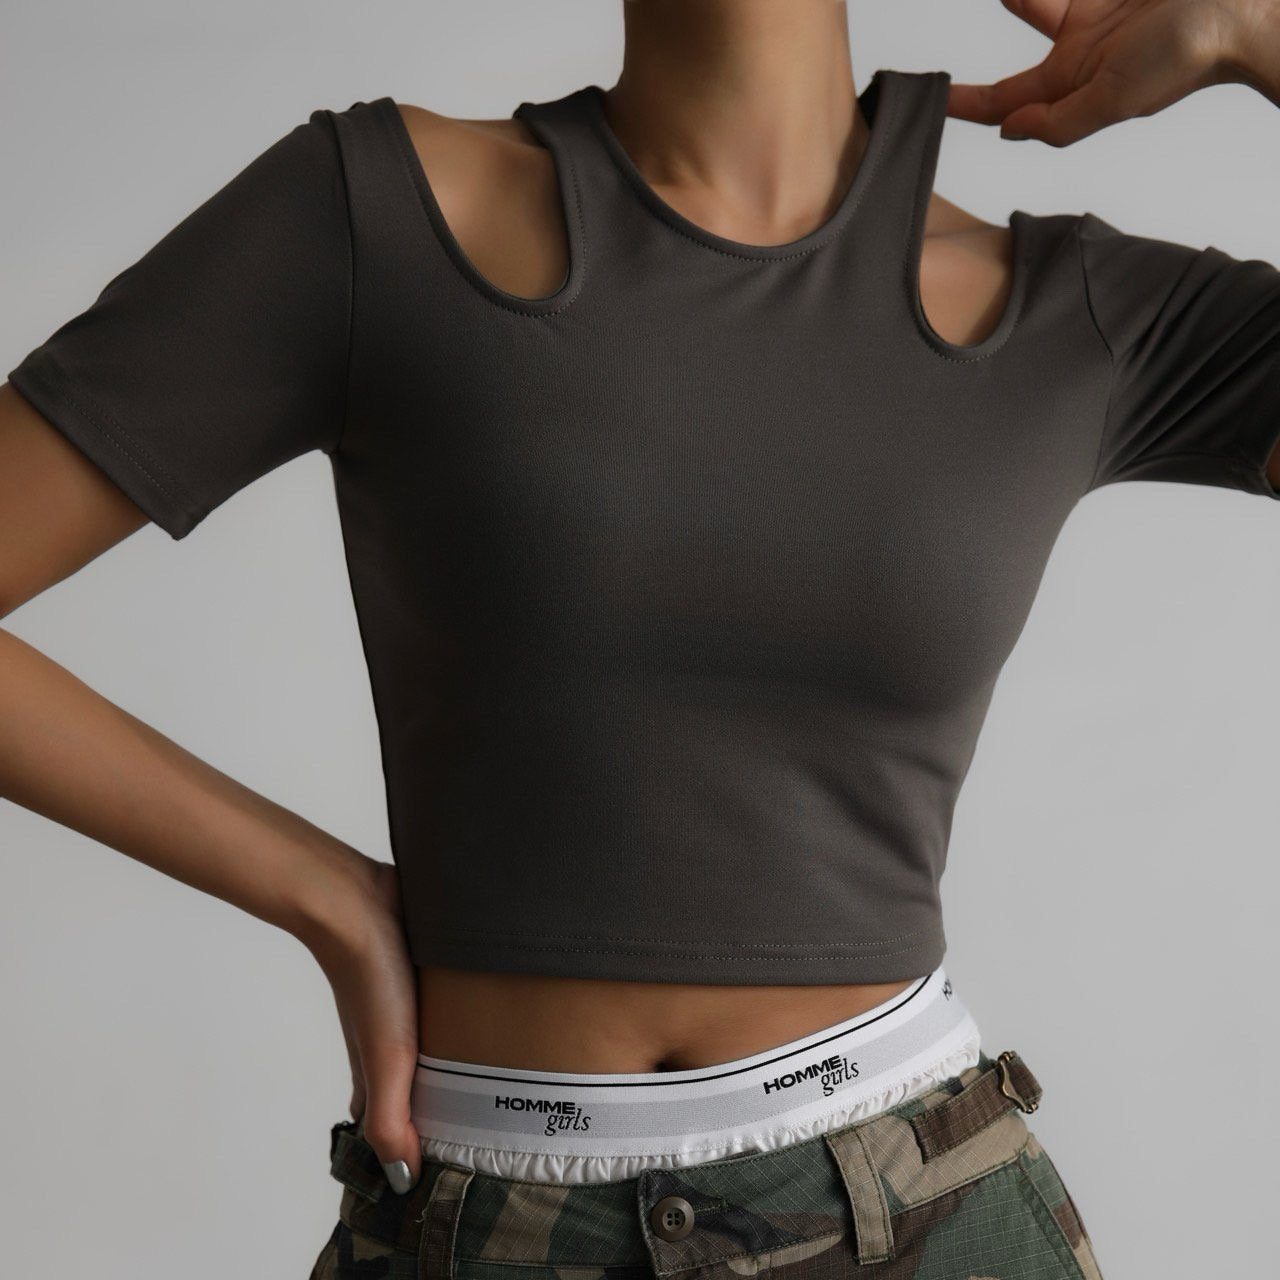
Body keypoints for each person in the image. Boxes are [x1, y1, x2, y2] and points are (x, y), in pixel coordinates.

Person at [3, 1, 1277, 1275]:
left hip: (929, 1218)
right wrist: (324, 893)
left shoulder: (1079, 311)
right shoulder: (372, 215)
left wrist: (1246, 31)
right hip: (484, 1217)